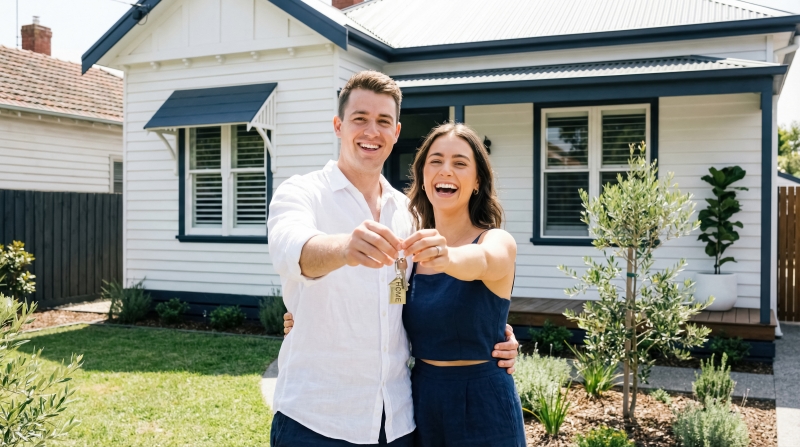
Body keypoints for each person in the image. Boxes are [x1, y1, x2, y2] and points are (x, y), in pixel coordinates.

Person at [267, 70, 519, 447]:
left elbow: (400, 299)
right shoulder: (301, 193)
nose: (372, 131)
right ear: (338, 126)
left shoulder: (407, 216)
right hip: (317, 419)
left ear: (396, 132)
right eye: (360, 119)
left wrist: (491, 332)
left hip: (398, 422)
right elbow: (294, 250)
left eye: (383, 121)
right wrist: (344, 250)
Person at [400, 122, 526, 446]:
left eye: (459, 163)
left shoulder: (496, 240)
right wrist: (309, 318)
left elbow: (484, 261)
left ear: (477, 181)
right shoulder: (408, 254)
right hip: (421, 399)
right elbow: (382, 307)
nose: (446, 170)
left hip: (483, 402)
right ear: (423, 176)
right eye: (436, 161)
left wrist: (447, 257)